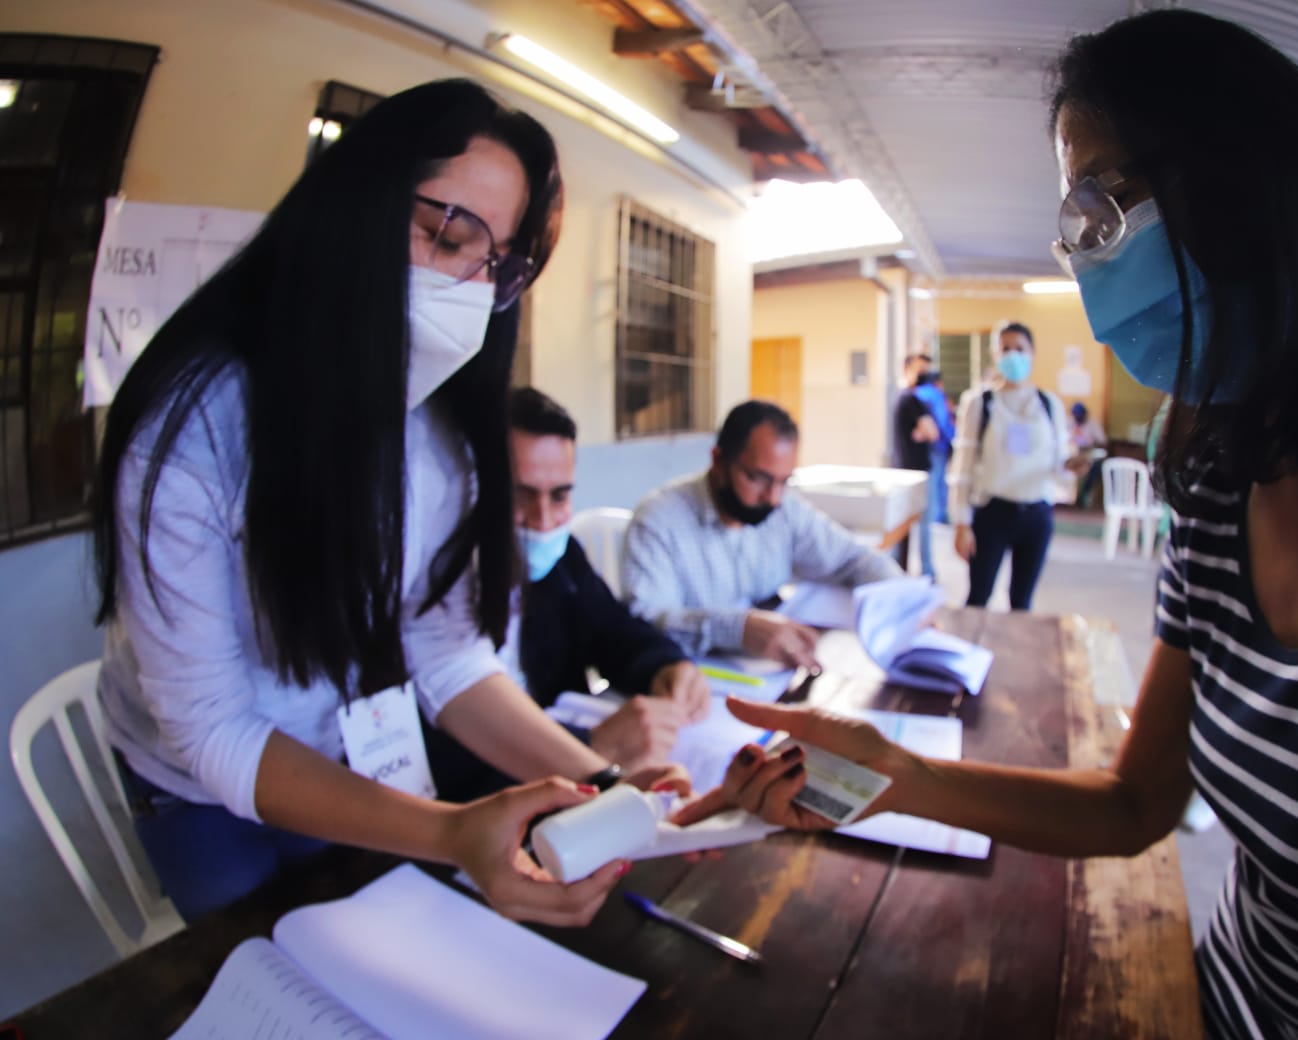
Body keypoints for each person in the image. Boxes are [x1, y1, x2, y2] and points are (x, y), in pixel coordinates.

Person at [677, 10, 1298, 1039]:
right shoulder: (1226, 459)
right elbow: (1136, 803)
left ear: (1236, 178)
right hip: (1222, 996)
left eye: (1099, 209)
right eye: (1072, 231)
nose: (1085, 266)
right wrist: (897, 774)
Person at [92, 80, 685, 924]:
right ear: (352, 206)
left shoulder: (442, 437)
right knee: (250, 967)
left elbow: (443, 657)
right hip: (194, 784)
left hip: (345, 754)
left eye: (497, 265)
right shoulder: (195, 428)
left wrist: (605, 787)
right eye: (447, 232)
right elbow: (213, 728)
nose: (467, 286)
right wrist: (452, 834)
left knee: (364, 936)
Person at [501, 386, 709, 772]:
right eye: (519, 496)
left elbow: (613, 630)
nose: (543, 520)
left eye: (560, 497)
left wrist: (666, 667)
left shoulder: (562, 561)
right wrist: (592, 748)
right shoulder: (427, 598)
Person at [621, 400, 903, 670]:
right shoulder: (660, 521)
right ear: (718, 461)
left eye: (784, 481)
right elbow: (645, 620)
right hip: (693, 686)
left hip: (774, 675)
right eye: (759, 478)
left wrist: (904, 601)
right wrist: (737, 629)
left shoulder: (784, 511)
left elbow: (854, 558)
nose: (774, 498)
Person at [947, 321, 1072, 610]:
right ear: (995, 354)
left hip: (1036, 514)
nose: (1013, 355)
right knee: (979, 597)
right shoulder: (980, 403)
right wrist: (961, 522)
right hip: (992, 513)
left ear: (1033, 354)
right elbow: (962, 467)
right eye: (1005, 349)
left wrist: (1072, 468)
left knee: (1022, 602)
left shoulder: (1048, 404)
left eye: (1020, 349)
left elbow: (1057, 466)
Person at [892, 352, 940, 579]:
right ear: (908, 368)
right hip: (916, 472)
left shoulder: (904, 398)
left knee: (905, 526)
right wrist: (924, 431)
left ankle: (899, 570)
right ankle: (926, 571)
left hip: (905, 470)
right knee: (920, 526)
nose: (924, 376)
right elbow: (932, 432)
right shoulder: (911, 400)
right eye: (921, 370)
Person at [914, 369, 956, 525]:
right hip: (938, 445)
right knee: (938, 482)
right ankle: (937, 517)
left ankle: (930, 516)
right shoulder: (936, 395)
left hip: (919, 448)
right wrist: (953, 437)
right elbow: (943, 421)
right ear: (938, 382)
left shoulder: (917, 393)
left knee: (929, 482)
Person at [1065, 401, 1108, 508]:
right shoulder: (1070, 423)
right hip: (1073, 452)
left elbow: (1103, 442)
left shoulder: (1093, 424)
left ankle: (1083, 495)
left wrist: (1090, 445)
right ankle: (1067, 497)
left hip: (1089, 453)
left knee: (1094, 467)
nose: (1078, 417)